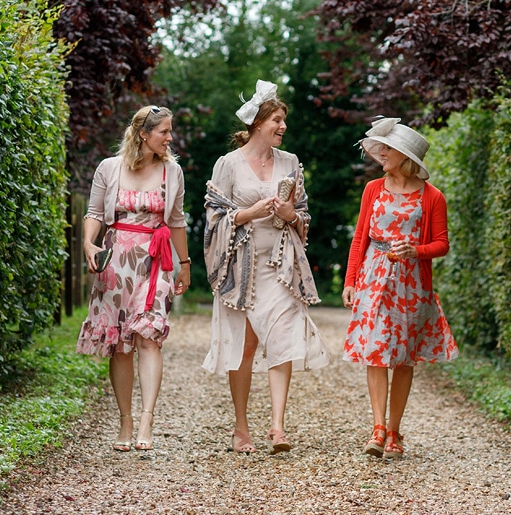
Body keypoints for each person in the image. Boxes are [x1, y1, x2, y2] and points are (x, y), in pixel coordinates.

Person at [202, 80, 329, 454]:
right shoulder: (227, 164)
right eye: (276, 119)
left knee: (283, 336)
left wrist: (291, 214)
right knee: (244, 345)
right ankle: (241, 428)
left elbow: (303, 213)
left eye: (283, 120)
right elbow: (213, 217)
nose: (282, 126)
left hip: (280, 265)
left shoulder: (290, 163)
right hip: (240, 267)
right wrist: (248, 213)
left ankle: (278, 428)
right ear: (258, 123)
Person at [76, 105, 191, 452]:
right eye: (164, 132)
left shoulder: (172, 172)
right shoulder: (109, 168)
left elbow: (176, 221)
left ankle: (146, 418)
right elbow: (95, 213)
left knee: (149, 339)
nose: (170, 138)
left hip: (154, 261)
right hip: (115, 262)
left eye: (170, 131)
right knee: (120, 345)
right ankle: (125, 420)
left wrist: (184, 264)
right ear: (144, 133)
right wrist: (88, 243)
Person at [341, 117, 458, 459]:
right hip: (373, 279)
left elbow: (442, 244)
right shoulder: (373, 189)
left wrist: (415, 250)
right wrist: (350, 281)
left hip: (412, 284)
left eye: (389, 149)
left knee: (404, 359)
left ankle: (394, 431)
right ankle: (377, 429)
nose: (381, 154)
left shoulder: (433, 197)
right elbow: (360, 237)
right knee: (376, 349)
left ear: (406, 156)